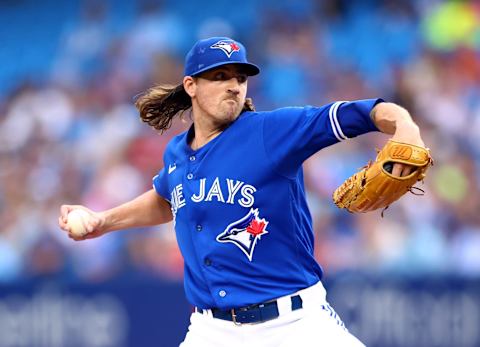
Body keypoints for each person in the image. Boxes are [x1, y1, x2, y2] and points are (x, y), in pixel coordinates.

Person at [59, 37, 426, 346]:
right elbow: (167, 199)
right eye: (220, 76)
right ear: (191, 86)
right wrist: (102, 221)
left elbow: (365, 112)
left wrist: (405, 127)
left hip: (295, 325)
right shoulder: (176, 153)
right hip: (211, 330)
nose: (234, 85)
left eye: (240, 77)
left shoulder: (271, 131)